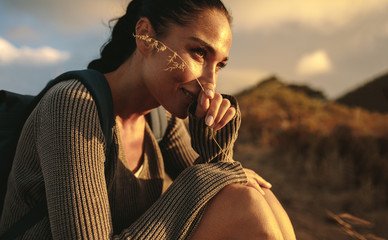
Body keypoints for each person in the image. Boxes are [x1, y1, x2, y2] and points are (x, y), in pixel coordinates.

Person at [0, 0, 296, 239]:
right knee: (243, 204)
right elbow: (204, 184)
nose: (210, 83)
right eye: (198, 53)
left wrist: (216, 141)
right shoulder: (73, 106)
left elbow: (221, 184)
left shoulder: (160, 120)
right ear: (145, 37)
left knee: (252, 195)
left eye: (218, 66)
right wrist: (203, 179)